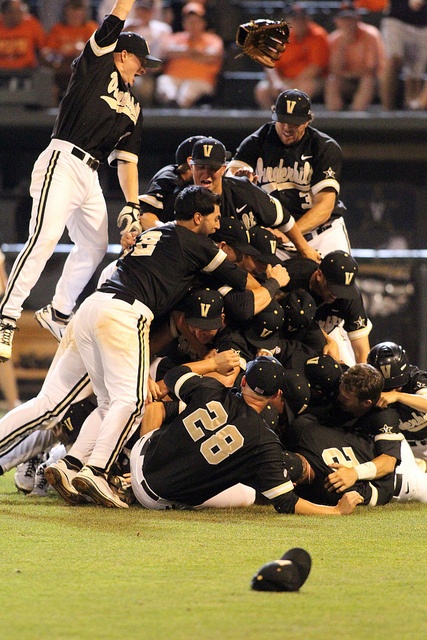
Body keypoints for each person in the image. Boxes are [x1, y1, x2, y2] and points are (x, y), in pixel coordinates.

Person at [44, 185, 257, 508]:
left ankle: (69, 464)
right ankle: (97, 470)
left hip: (94, 305)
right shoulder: (198, 243)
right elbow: (244, 283)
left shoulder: (156, 231)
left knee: (107, 402)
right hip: (125, 313)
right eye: (213, 216)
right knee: (130, 401)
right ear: (197, 217)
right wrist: (276, 282)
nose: (217, 222)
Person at [0, 0, 163, 363]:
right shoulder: (97, 64)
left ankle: (58, 312)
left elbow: (128, 162)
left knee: (93, 245)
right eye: (141, 62)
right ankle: (7, 316)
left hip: (90, 175)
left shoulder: (135, 106)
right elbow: (116, 16)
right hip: (63, 159)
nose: (144, 71)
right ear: (122, 55)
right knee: (44, 237)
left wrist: (132, 205)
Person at [129, 355, 363, 514]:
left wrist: (212, 363)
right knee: (248, 490)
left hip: (138, 458)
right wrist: (334, 511)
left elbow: (173, 375)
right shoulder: (265, 441)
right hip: (157, 500)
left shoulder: (210, 389)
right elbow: (286, 502)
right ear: (275, 395)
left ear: (243, 381)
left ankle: (122, 477)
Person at [227, 89, 351, 260]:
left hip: (322, 234)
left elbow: (325, 206)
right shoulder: (258, 141)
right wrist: (240, 182)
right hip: (276, 237)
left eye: (294, 122)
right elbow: (229, 176)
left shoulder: (323, 147)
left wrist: (291, 233)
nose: (287, 127)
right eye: (282, 120)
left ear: (308, 121)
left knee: (338, 280)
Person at [189, 136, 321, 263]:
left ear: (223, 169)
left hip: (249, 263)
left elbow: (283, 218)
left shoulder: (243, 190)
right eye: (201, 167)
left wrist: (304, 249)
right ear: (191, 166)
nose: (206, 174)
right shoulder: (181, 201)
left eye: (213, 168)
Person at [281, 250, 372, 365]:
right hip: (286, 335)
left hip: (329, 334)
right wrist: (327, 340)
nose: (337, 294)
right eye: (333, 287)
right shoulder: (291, 276)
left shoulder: (350, 295)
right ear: (319, 275)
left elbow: (361, 350)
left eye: (342, 289)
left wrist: (363, 377)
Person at [254, 4, 329, 109]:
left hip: (310, 80)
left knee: (305, 88)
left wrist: (292, 85)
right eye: (295, 19)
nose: (299, 23)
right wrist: (276, 82)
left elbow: (316, 68)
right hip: (284, 80)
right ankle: (273, 121)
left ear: (308, 19)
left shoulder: (318, 35)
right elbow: (270, 64)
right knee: (262, 90)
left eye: (302, 19)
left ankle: (295, 121)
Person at [367, 341, 427, 465]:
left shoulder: (416, 378)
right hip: (403, 450)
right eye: (387, 389)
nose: (392, 392)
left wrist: (398, 396)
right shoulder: (370, 390)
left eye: (398, 386)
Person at [155, 2, 224, 108]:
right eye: (189, 21)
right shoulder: (176, 38)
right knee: (164, 83)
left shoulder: (213, 39)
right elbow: (166, 51)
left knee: (187, 90)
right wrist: (197, 53)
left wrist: (183, 53)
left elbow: (212, 55)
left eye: (196, 21)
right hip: (174, 78)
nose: (193, 24)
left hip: (200, 81)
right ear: (184, 23)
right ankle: (172, 105)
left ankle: (179, 111)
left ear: (203, 23)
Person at [324, 2, 385, 112]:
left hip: (372, 81)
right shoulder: (334, 39)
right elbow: (334, 70)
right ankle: (333, 117)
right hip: (346, 81)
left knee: (367, 80)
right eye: (343, 19)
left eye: (350, 19)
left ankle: (357, 116)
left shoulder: (370, 35)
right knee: (332, 81)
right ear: (336, 21)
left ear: (358, 18)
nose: (347, 23)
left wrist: (347, 74)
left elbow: (371, 69)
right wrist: (342, 46)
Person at [138, 134, 205, 228]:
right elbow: (145, 215)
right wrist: (169, 235)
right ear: (190, 162)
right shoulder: (168, 178)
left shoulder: (217, 180)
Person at [41, 0, 99, 104]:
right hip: (61, 70)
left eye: (78, 11)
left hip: (83, 70)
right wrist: (60, 52)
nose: (75, 15)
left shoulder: (90, 27)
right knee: (50, 81)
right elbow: (47, 50)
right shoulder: (58, 29)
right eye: (72, 11)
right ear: (66, 13)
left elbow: (97, 48)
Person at [380, 0, 427, 110]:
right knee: (393, 59)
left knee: (415, 74)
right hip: (396, 19)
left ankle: (412, 112)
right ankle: (387, 110)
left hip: (423, 23)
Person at [123, 0, 171, 105]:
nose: (143, 13)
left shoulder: (162, 29)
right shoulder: (125, 25)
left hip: (148, 72)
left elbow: (162, 55)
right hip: (125, 70)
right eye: (140, 9)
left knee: (144, 89)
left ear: (152, 11)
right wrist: (124, 31)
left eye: (146, 10)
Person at [0, 0, 45, 70]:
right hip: (2, 73)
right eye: (17, 11)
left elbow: (43, 49)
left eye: (21, 11)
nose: (21, 14)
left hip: (26, 72)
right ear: (6, 13)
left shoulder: (31, 24)